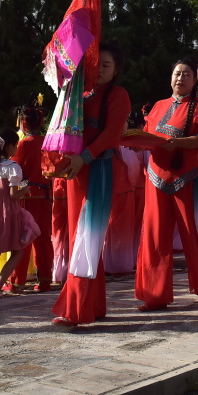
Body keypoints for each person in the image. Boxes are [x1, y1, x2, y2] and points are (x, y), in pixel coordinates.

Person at [52, 40, 131, 327]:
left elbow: (111, 135)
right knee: (80, 237)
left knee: (87, 238)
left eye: (106, 65)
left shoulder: (119, 95)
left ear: (116, 69)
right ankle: (94, 305)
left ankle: (76, 309)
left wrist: (84, 157)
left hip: (99, 169)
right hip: (77, 172)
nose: (100, 71)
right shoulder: (81, 95)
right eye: (96, 65)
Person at [136, 57, 198, 312]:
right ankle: (155, 295)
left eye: (186, 74)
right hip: (156, 176)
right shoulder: (158, 106)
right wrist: (137, 143)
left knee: (195, 234)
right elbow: (148, 135)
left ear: (195, 80)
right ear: (170, 78)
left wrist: (178, 143)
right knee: (155, 236)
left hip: (189, 177)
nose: (180, 78)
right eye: (177, 73)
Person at [0, 128, 40, 299]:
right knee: (18, 250)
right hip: (8, 212)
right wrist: (24, 189)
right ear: (10, 146)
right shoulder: (13, 167)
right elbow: (13, 194)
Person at [9, 102, 53, 292]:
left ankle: (17, 281)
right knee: (43, 238)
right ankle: (45, 279)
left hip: (28, 196)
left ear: (23, 123)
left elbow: (17, 170)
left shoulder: (24, 144)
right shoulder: (47, 142)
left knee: (23, 237)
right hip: (45, 195)